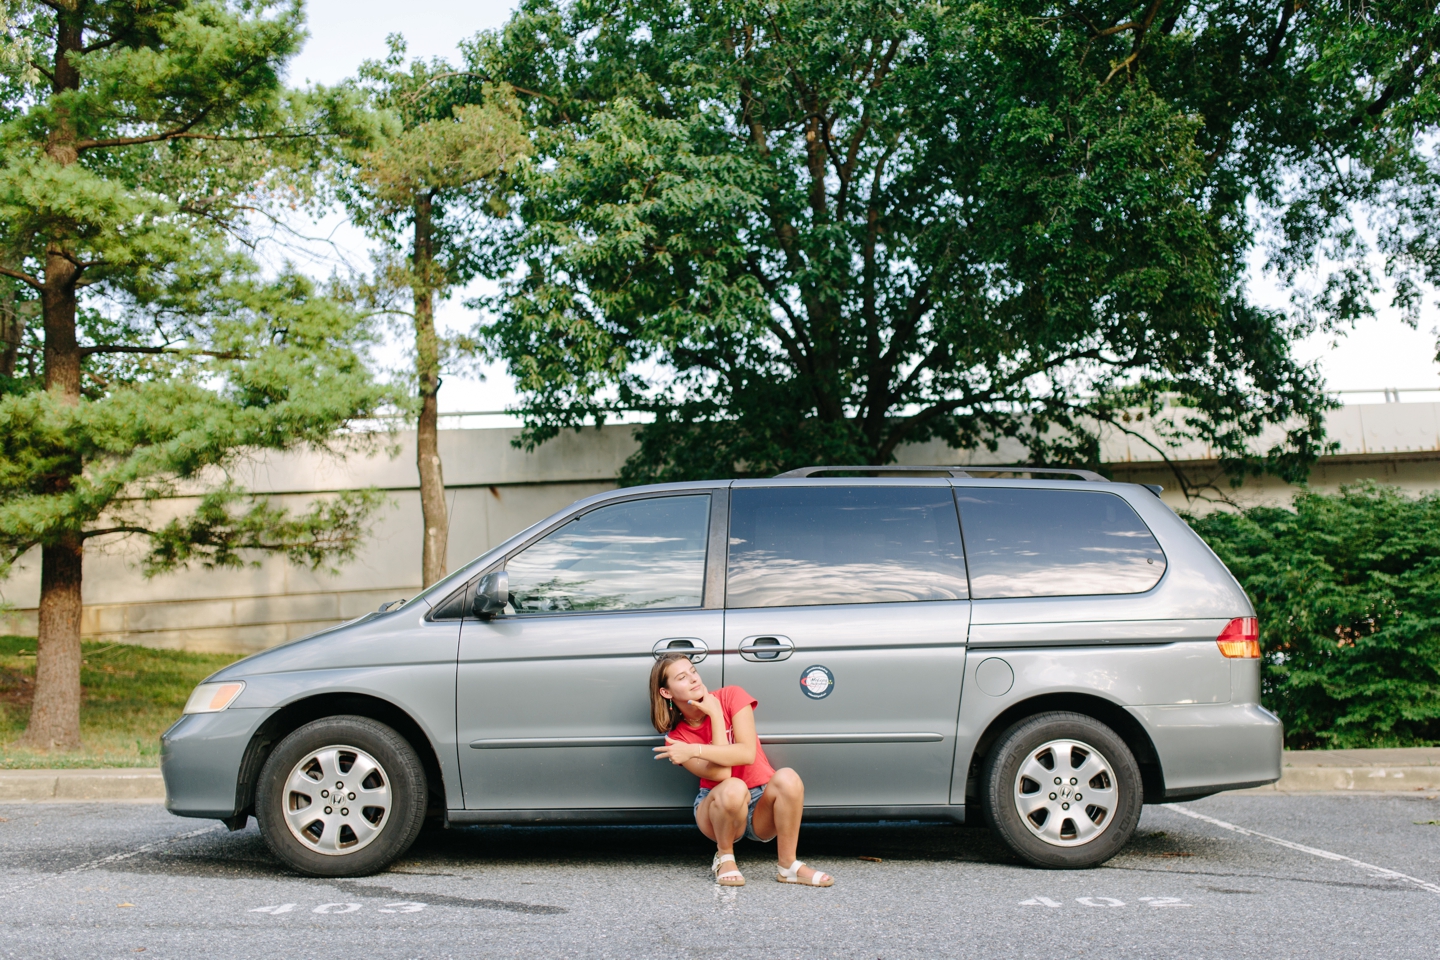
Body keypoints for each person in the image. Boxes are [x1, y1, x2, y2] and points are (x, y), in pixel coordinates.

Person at [649, 653, 834, 887]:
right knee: (733, 786)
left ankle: (788, 866)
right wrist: (715, 720)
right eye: (682, 677)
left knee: (788, 778)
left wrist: (710, 723)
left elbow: (746, 754)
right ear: (666, 692)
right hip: (719, 809)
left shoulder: (731, 696)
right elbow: (722, 774)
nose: (694, 679)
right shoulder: (676, 738)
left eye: (693, 671)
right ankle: (725, 856)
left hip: (760, 806)